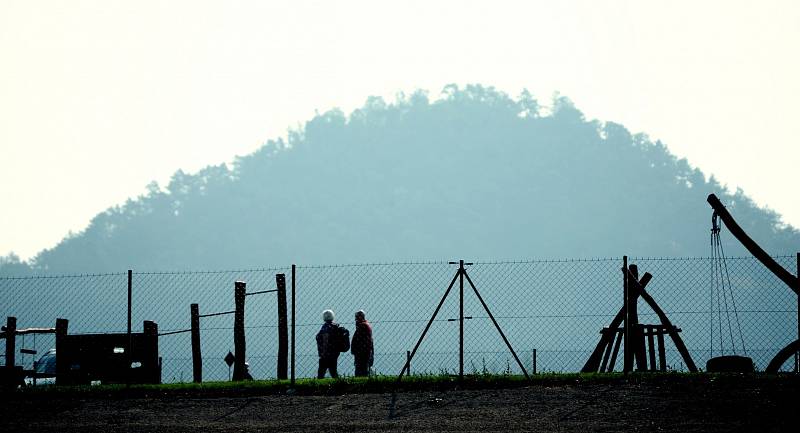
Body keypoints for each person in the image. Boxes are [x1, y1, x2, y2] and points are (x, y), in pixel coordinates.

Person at [316, 309, 341, 379]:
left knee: (321, 372)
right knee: (333, 371)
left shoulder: (326, 327)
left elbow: (325, 339)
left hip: (326, 353)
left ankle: (318, 386)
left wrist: (324, 352)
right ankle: (338, 384)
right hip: (334, 352)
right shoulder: (335, 326)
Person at [351, 310, 374, 377]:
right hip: (365, 351)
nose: (356, 320)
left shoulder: (362, 326)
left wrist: (355, 350)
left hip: (361, 352)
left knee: (360, 369)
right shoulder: (366, 325)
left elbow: (357, 340)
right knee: (364, 368)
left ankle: (360, 381)